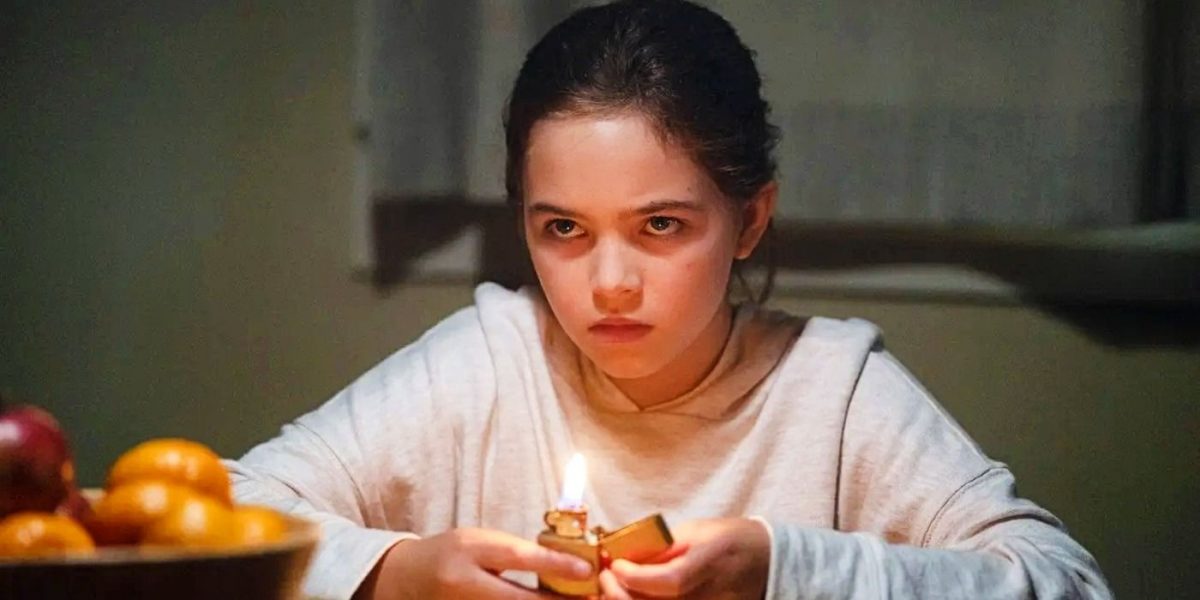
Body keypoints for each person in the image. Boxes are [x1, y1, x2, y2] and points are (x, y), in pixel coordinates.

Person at [227, 1, 1111, 598]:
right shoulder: (489, 360)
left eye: (659, 225)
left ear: (749, 218)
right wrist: (394, 574)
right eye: (563, 228)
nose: (609, 282)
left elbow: (1065, 581)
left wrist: (785, 572)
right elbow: (228, 512)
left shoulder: (834, 392)